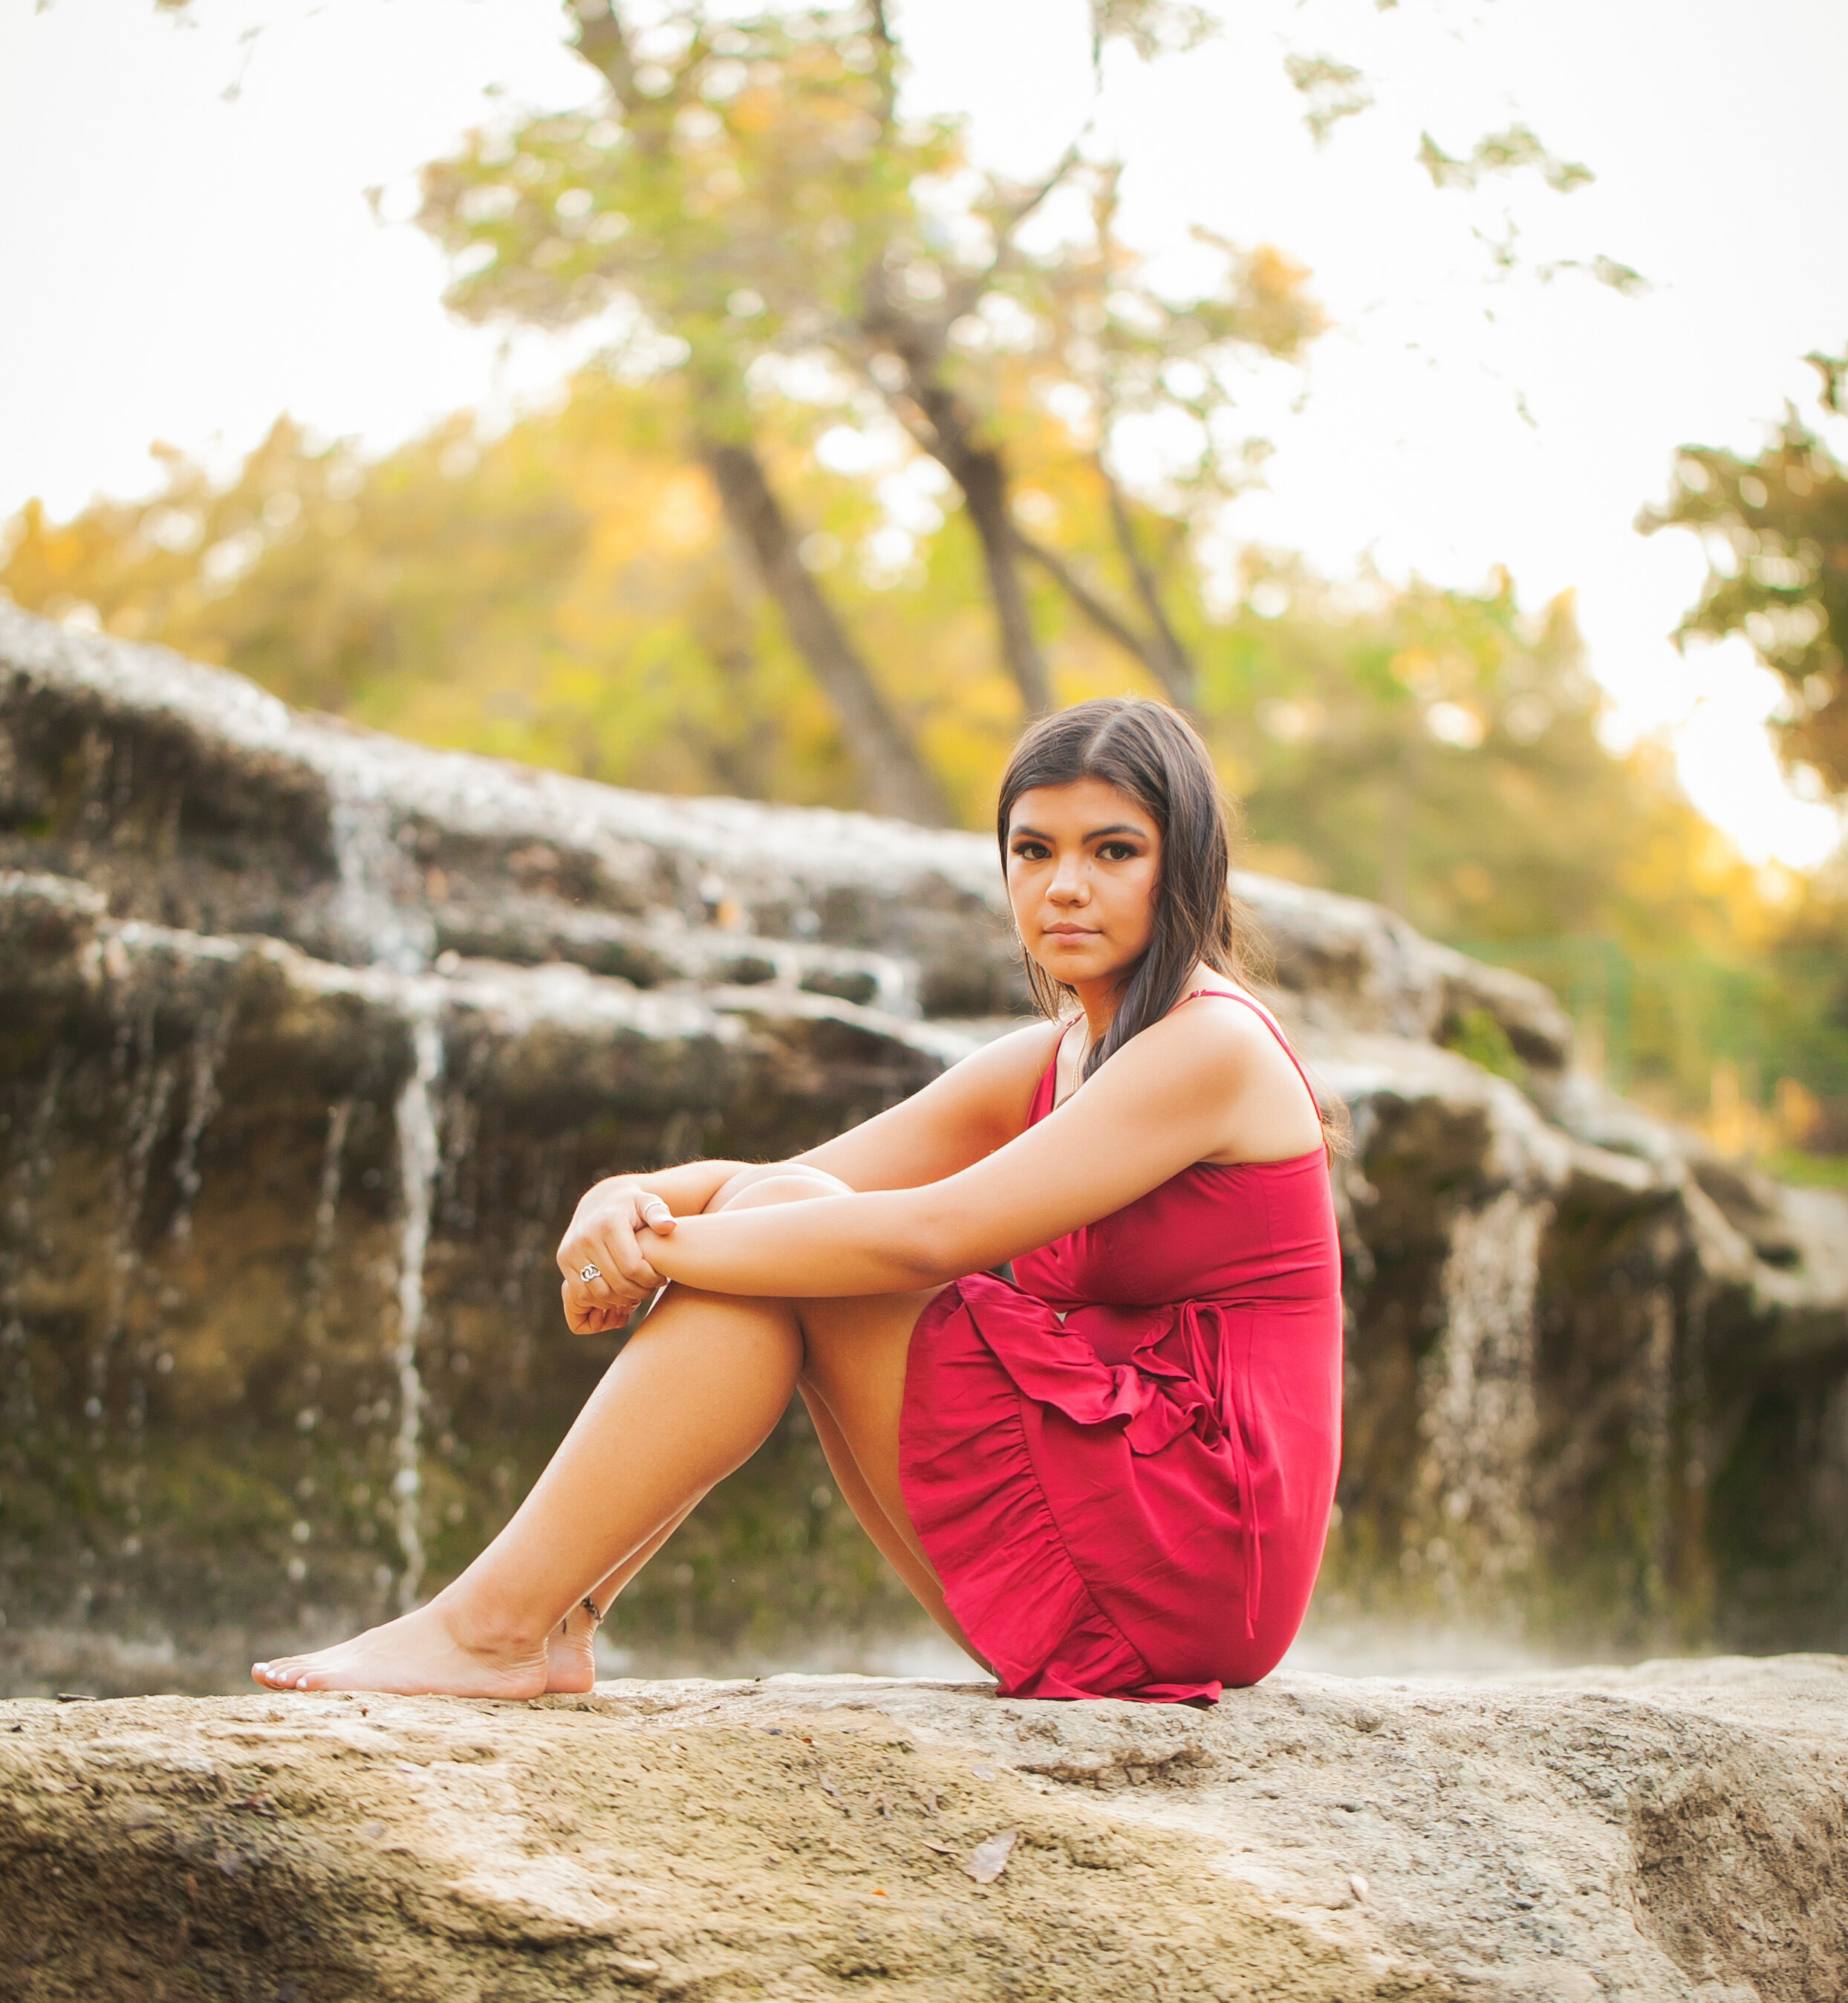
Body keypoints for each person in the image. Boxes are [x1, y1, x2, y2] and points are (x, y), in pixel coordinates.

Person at [253, 698, 1344, 1703]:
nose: (1064, 886)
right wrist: (618, 1198)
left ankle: (502, 1626)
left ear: (1183, 866)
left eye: (1114, 852)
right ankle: (539, 1626)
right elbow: (791, 1177)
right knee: (787, 1213)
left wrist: (662, 1256)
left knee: (797, 1236)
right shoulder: (1058, 1055)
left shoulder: (1210, 1045)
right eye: (1034, 851)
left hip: (1198, 1553)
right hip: (1113, 1531)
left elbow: (931, 1234)